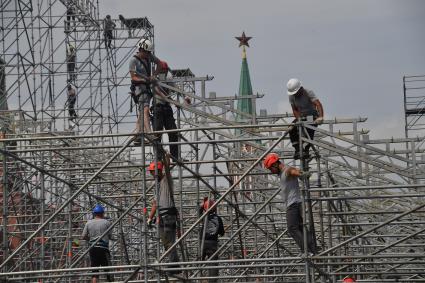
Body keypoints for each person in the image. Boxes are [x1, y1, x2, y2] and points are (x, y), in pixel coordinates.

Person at [263, 153, 317, 254]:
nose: (271, 171)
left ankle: (306, 250)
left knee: (292, 228)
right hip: (295, 204)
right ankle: (312, 249)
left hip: (293, 205)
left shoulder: (286, 170)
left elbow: (292, 171)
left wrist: (301, 174)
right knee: (301, 228)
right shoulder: (282, 173)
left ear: (275, 164)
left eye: (271, 169)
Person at [147, 153, 180, 272]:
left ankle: (174, 268)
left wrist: (166, 157)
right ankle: (175, 265)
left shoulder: (166, 180)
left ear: (159, 171)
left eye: (154, 172)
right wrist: (150, 218)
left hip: (169, 215)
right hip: (161, 215)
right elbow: (155, 203)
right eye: (152, 173)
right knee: (165, 242)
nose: (153, 175)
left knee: (170, 242)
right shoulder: (155, 185)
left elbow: (167, 167)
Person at [128, 38, 160, 146]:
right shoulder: (133, 60)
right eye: (147, 52)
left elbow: (160, 63)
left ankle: (137, 135)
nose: (148, 54)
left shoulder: (149, 57)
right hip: (139, 89)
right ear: (141, 50)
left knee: (142, 112)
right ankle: (149, 133)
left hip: (146, 88)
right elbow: (133, 77)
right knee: (145, 109)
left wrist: (154, 75)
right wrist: (144, 79)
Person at [286, 78, 324, 160]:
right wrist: (299, 119)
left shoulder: (308, 92)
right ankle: (298, 150)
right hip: (302, 116)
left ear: (300, 88)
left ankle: (306, 150)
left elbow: (318, 104)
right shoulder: (291, 97)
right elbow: (294, 109)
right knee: (291, 128)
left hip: (312, 115)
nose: (295, 94)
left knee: (309, 129)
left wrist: (320, 117)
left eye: (296, 92)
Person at [151, 60, 180, 160]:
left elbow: (176, 89)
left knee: (173, 131)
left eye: (165, 70)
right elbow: (156, 90)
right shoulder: (153, 78)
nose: (163, 72)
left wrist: (180, 100)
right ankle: (158, 158)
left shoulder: (168, 78)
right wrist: (168, 99)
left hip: (166, 107)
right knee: (157, 134)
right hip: (157, 107)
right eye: (162, 70)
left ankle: (175, 156)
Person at [81, 204, 114, 283]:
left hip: (93, 249)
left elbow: (83, 236)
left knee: (95, 273)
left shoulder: (88, 223)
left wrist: (91, 239)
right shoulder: (107, 222)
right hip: (104, 249)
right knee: (108, 271)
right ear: (102, 213)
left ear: (94, 214)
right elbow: (110, 236)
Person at [199, 197, 224, 283]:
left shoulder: (203, 217)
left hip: (203, 242)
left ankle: (196, 278)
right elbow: (222, 233)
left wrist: (203, 206)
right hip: (213, 243)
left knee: (199, 263)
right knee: (213, 265)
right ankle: (212, 281)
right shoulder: (218, 219)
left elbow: (198, 213)